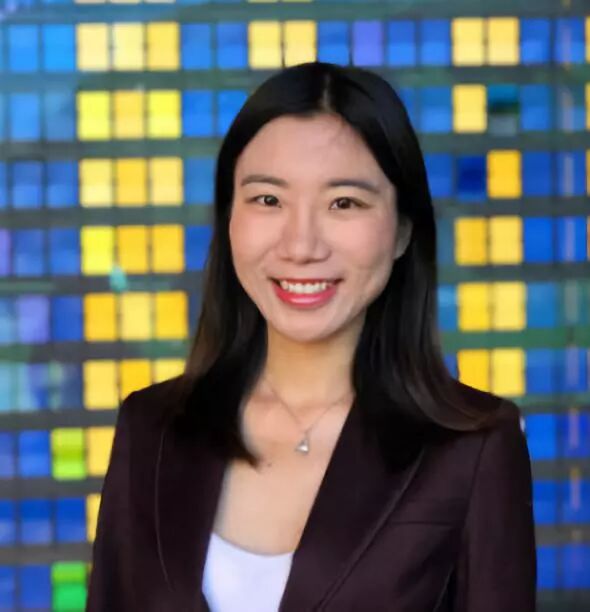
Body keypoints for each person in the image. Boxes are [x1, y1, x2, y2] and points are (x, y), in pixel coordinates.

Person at [86, 62, 537, 612]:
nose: (301, 246)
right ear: (229, 220)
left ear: (402, 230)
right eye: (268, 200)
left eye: (344, 202)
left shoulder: (475, 446)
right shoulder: (150, 429)